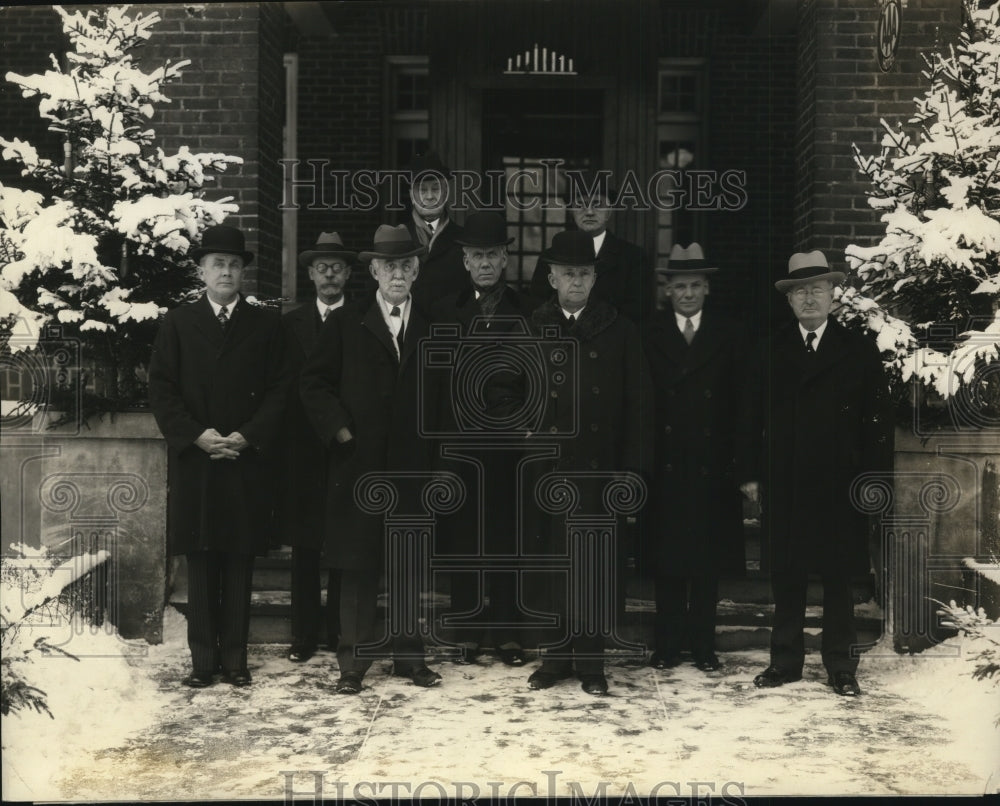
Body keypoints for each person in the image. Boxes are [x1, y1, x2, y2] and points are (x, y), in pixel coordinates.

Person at [741, 250, 893, 697]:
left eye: (818, 289)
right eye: (799, 292)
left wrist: (873, 480)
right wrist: (749, 472)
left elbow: (877, 422)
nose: (809, 299)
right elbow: (749, 416)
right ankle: (784, 661)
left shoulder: (858, 349)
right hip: (785, 477)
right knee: (786, 574)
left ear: (832, 295)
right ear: (789, 301)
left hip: (840, 481)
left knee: (838, 574)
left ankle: (840, 666)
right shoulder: (770, 349)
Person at [299, 224, 441, 694]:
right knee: (357, 566)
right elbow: (313, 384)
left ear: (416, 271)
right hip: (358, 467)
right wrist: (340, 431)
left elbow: (449, 395)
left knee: (405, 564)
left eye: (405, 265)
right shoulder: (346, 323)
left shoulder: (433, 325)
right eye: (389, 266)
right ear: (374, 271)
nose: (397, 274)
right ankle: (352, 665)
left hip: (412, 467)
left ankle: (409, 658)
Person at [148, 224, 289, 688]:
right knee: (203, 558)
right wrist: (196, 436)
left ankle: (236, 658)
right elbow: (163, 390)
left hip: (245, 461)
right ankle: (202, 660)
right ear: (202, 271)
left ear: (242, 272)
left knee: (240, 557)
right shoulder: (179, 322)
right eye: (217, 264)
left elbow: (279, 389)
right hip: (198, 461)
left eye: (233, 264)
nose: (226, 271)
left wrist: (249, 436)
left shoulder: (267, 324)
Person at [525, 230, 653, 696]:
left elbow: (640, 406)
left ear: (594, 277)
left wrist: (632, 472)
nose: (575, 281)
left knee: (593, 566)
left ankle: (593, 663)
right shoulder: (533, 326)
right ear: (552, 277)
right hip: (548, 469)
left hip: (600, 471)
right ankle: (555, 659)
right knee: (553, 564)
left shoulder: (619, 330)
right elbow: (506, 390)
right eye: (567, 273)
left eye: (583, 273)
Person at [431, 210, 537, 667]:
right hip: (461, 445)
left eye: (494, 254)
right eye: (478, 255)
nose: (486, 263)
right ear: (465, 260)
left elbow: (539, 378)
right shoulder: (445, 309)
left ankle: (510, 633)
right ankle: (468, 632)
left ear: (505, 258)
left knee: (507, 537)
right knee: (465, 539)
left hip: (512, 447)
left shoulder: (526, 309)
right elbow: (433, 381)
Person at [640, 243, 748, 673]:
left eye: (695, 286)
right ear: (667, 290)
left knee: (706, 562)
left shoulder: (731, 333)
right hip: (665, 462)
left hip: (712, 462)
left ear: (707, 289)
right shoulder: (648, 332)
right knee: (667, 561)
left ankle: (703, 644)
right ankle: (666, 644)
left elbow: (742, 405)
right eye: (679, 285)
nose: (687, 293)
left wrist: (741, 466)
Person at [278, 232, 355, 663]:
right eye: (322, 266)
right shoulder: (290, 325)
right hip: (303, 450)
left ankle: (338, 630)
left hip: (346, 446)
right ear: (309, 274)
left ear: (347, 274)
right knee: (305, 546)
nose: (329, 273)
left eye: (337, 266)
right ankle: (303, 634)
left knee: (343, 540)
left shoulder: (362, 321)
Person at [529, 174, 653, 326]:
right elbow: (538, 306)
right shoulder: (549, 258)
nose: (589, 212)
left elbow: (638, 312)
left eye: (597, 204)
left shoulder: (633, 258)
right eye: (581, 205)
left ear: (609, 211)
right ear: (571, 211)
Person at [404, 150, 467, 316]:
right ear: (411, 195)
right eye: (422, 190)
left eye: (436, 189)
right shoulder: (396, 238)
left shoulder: (465, 241)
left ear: (446, 192)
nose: (430, 196)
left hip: (449, 336)